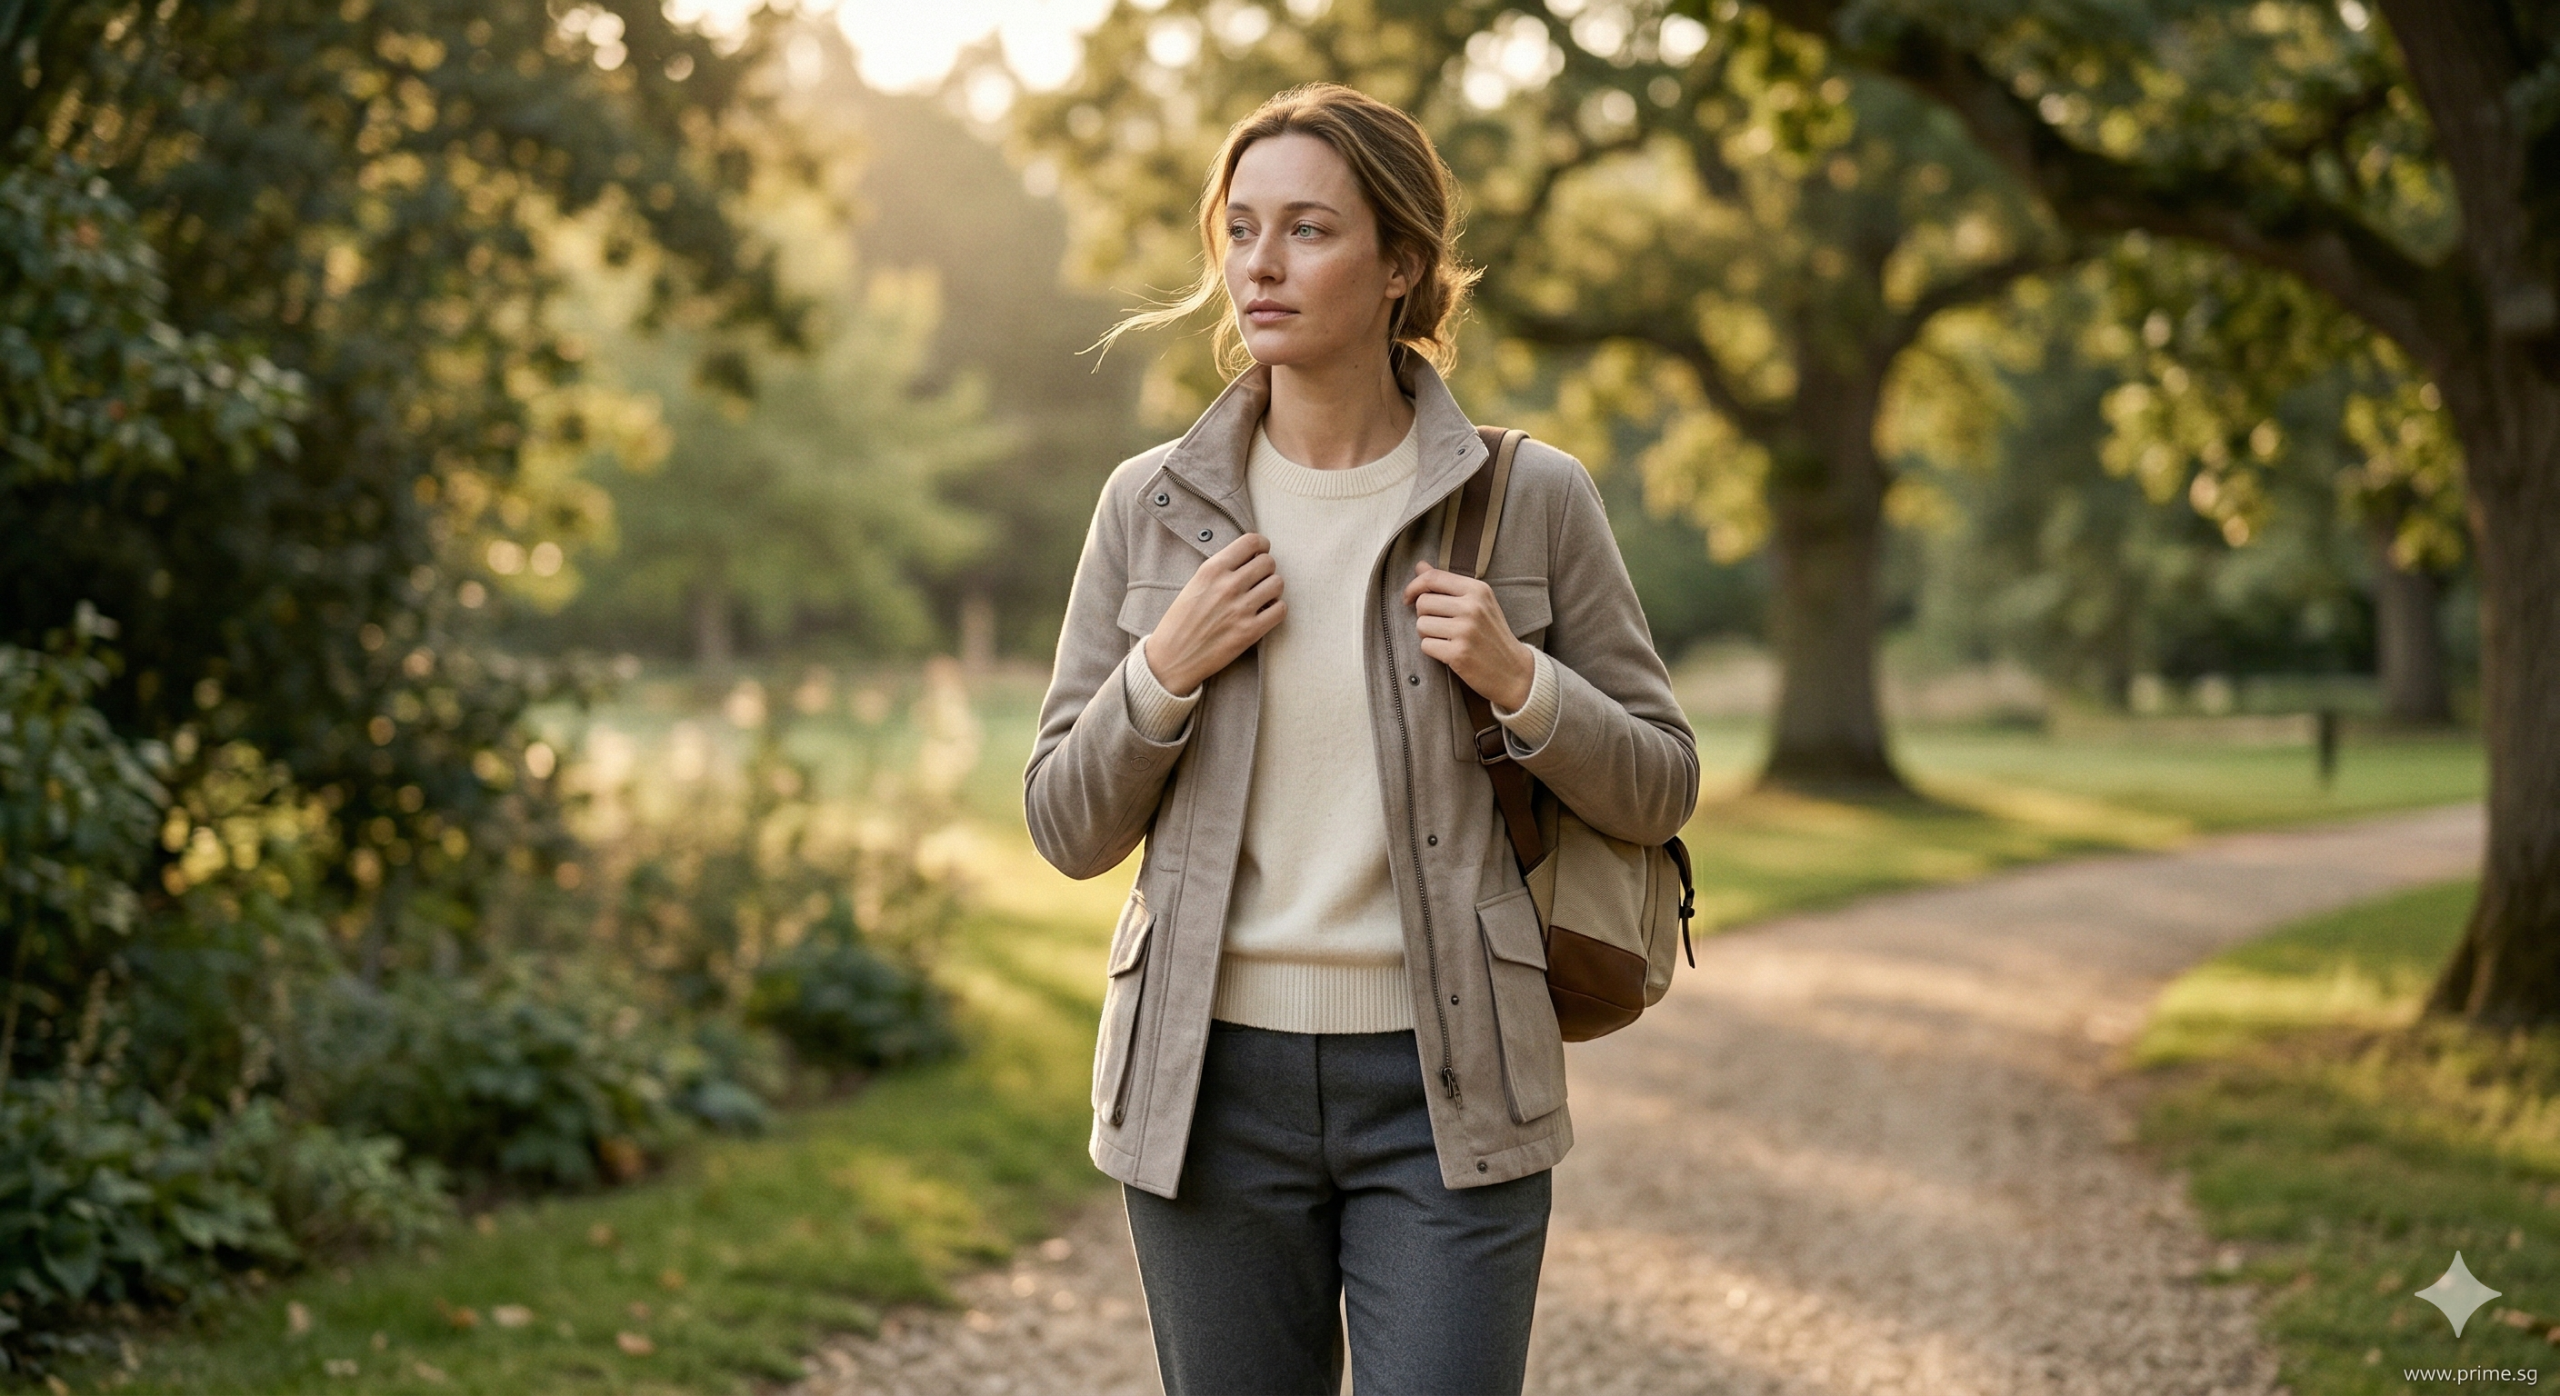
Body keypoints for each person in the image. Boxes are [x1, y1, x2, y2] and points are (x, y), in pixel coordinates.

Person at [1024, 82, 1698, 1396]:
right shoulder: (1148, 506)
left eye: (1309, 229)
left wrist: (1521, 682)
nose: (1260, 265)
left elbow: (1662, 782)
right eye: (1241, 229)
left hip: (1453, 1085)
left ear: (1401, 266)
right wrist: (1162, 670)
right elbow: (1064, 824)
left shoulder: (1530, 498)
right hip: (1205, 1089)